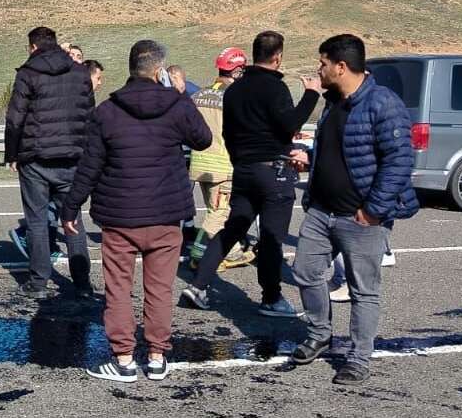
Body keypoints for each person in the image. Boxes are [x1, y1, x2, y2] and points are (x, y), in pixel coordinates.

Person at [63, 39, 212, 382]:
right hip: (165, 214)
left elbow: (90, 166)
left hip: (120, 216)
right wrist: (181, 95)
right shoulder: (176, 105)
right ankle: (158, 356)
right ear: (159, 70)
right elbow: (203, 139)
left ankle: (124, 359)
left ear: (130, 69)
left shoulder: (107, 111)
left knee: (118, 289)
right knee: (159, 289)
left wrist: (71, 207)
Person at [287, 34, 419, 384]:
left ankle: (358, 358)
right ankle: (319, 333)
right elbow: (343, 151)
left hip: (360, 218)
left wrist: (374, 210)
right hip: (321, 210)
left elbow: (399, 161)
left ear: (340, 66)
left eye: (323, 63)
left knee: (363, 290)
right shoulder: (334, 103)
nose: (319, 69)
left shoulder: (382, 103)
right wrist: (311, 159)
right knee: (305, 271)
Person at [180, 30, 321, 317]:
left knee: (233, 227)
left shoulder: (235, 90)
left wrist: (239, 159)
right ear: (278, 57)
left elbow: (227, 132)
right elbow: (288, 125)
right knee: (271, 237)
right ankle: (271, 298)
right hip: (273, 171)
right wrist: (310, 95)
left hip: (242, 168)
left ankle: (198, 286)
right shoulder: (274, 88)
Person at [3, 26, 95, 299]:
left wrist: (11, 154)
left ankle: (39, 281)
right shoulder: (80, 73)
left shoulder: (28, 73)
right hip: (72, 157)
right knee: (73, 218)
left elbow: (15, 118)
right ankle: (82, 283)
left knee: (37, 220)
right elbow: (89, 114)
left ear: (32, 47)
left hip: (36, 158)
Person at [10, 59, 106, 263]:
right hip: (62, 164)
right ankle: (74, 280)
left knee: (58, 209)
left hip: (63, 162)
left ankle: (44, 277)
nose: (100, 83)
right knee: (63, 213)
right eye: (98, 78)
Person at [186, 48, 257, 273]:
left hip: (200, 162)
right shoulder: (234, 96)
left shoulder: (198, 95)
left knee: (214, 209)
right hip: (223, 165)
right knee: (220, 213)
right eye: (243, 70)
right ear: (236, 71)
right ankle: (198, 256)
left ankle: (232, 249)